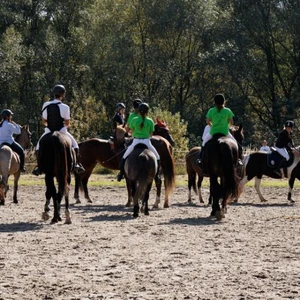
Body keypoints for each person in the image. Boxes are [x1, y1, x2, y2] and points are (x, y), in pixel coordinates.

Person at [32, 84, 85, 176]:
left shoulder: (46, 105)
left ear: (53, 94)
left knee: (38, 147)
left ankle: (39, 167)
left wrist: (49, 125)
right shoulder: (65, 107)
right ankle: (76, 164)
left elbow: (44, 121)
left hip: (49, 130)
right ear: (62, 95)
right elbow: (67, 123)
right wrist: (64, 127)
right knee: (75, 145)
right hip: (62, 130)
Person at [116, 102, 160, 182]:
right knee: (157, 157)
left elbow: (129, 131)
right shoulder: (150, 121)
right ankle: (157, 176)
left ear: (139, 111)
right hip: (147, 142)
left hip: (135, 141)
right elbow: (151, 135)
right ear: (147, 111)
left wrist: (135, 134)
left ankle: (121, 174)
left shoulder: (133, 120)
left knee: (124, 157)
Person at [197, 93, 241, 165]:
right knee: (235, 144)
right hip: (225, 132)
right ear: (224, 101)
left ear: (215, 102)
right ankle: (238, 160)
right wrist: (227, 126)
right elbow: (232, 122)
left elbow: (207, 121)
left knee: (204, 143)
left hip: (213, 132)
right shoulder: (228, 110)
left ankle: (200, 159)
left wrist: (212, 126)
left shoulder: (211, 110)